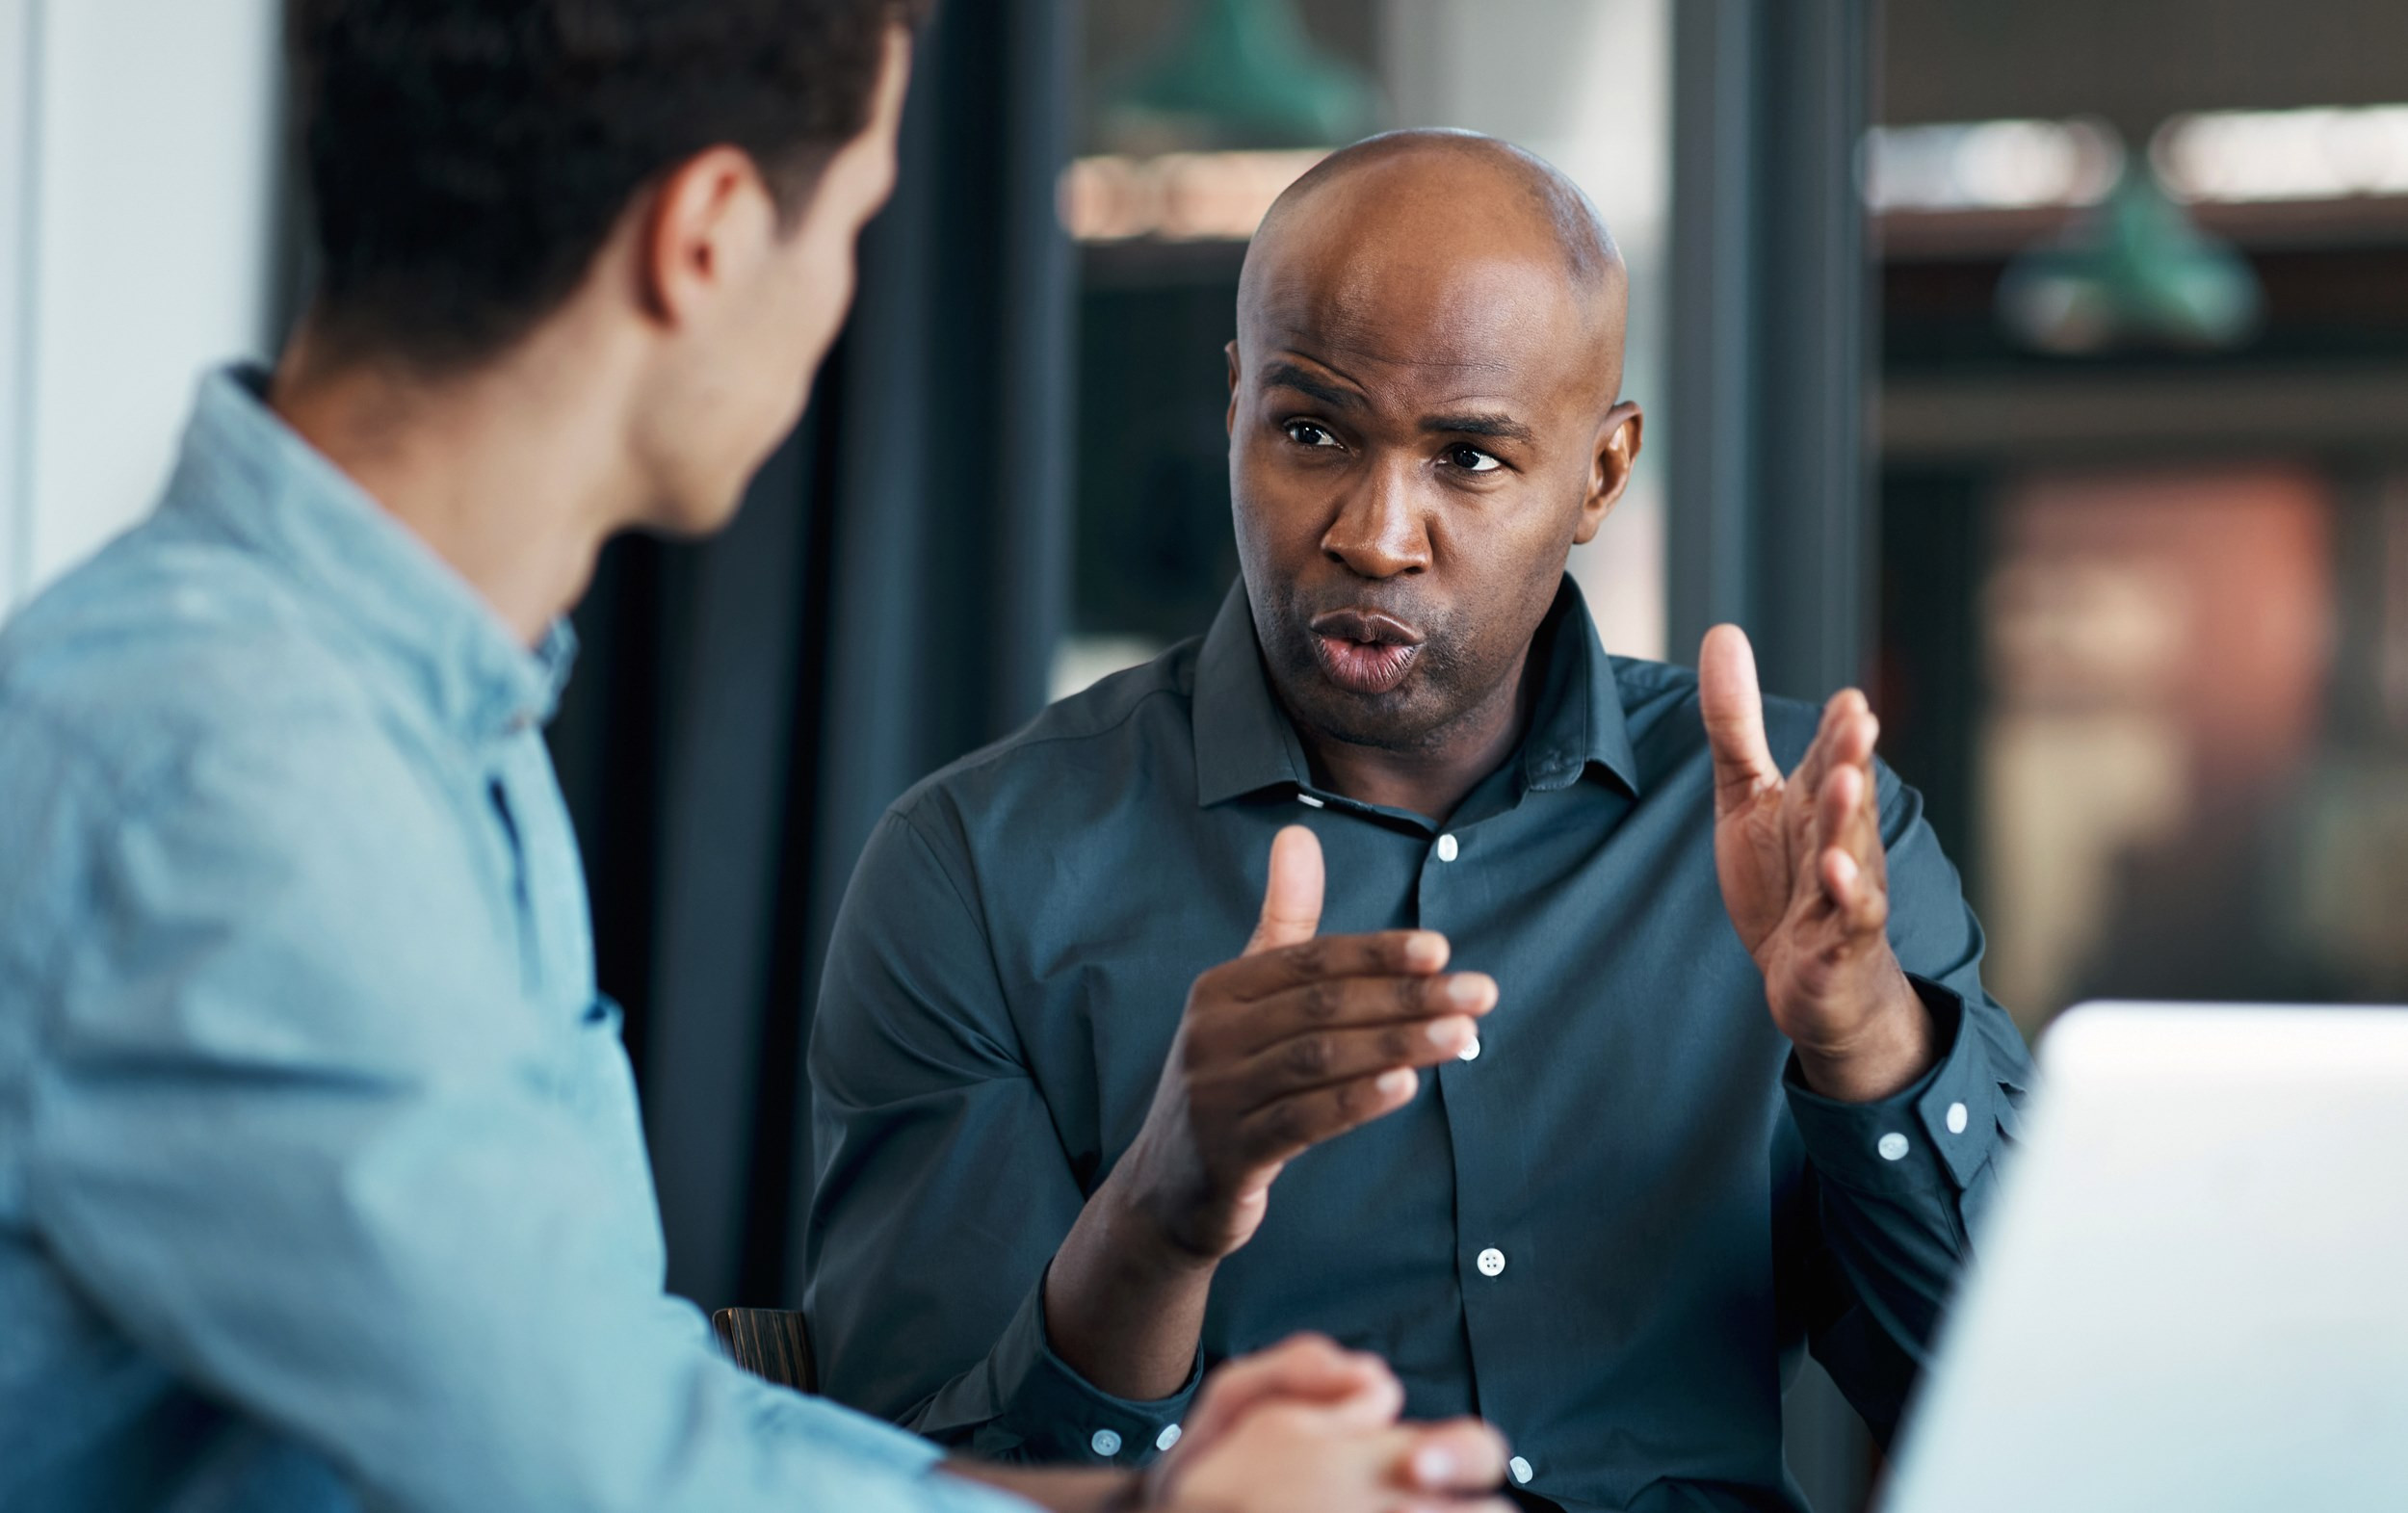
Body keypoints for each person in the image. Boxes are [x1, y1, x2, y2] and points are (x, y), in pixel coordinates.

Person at [0, 7, 1516, 1512]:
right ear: (711, 238)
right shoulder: (233, 775)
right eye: (853, 221)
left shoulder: (411, 715)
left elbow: (617, 1402)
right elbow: (591, 1485)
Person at [805, 131, 2034, 1513]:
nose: (1378, 534)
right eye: (1313, 432)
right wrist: (1163, 1208)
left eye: (1468, 458)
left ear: (1602, 475)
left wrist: (1866, 1037)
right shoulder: (976, 870)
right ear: (1234, 410)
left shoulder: (1811, 831)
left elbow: (2027, 1410)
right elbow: (910, 1488)